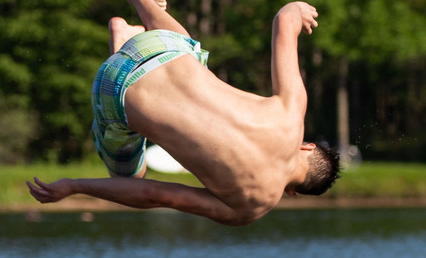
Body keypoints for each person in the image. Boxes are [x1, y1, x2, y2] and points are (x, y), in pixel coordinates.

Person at [28, 1, 340, 226]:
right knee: (132, 174)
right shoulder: (250, 207)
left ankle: (145, 9)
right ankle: (121, 42)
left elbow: (283, 20)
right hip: (114, 90)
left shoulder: (292, 112)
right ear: (292, 192)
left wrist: (298, 10)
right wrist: (73, 186)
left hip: (159, 46)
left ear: (307, 146)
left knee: (192, 53)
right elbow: (153, 194)